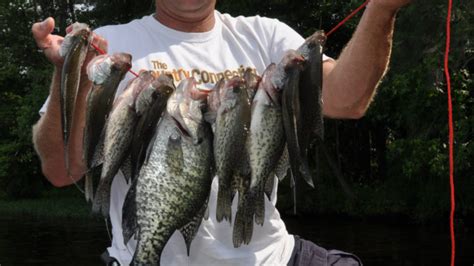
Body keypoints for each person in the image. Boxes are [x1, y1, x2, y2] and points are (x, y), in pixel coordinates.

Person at [32, 0, 410, 265]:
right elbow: (61, 170)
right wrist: (72, 74)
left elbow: (348, 100)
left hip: (273, 258)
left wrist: (381, 8)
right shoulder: (109, 42)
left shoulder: (265, 34)